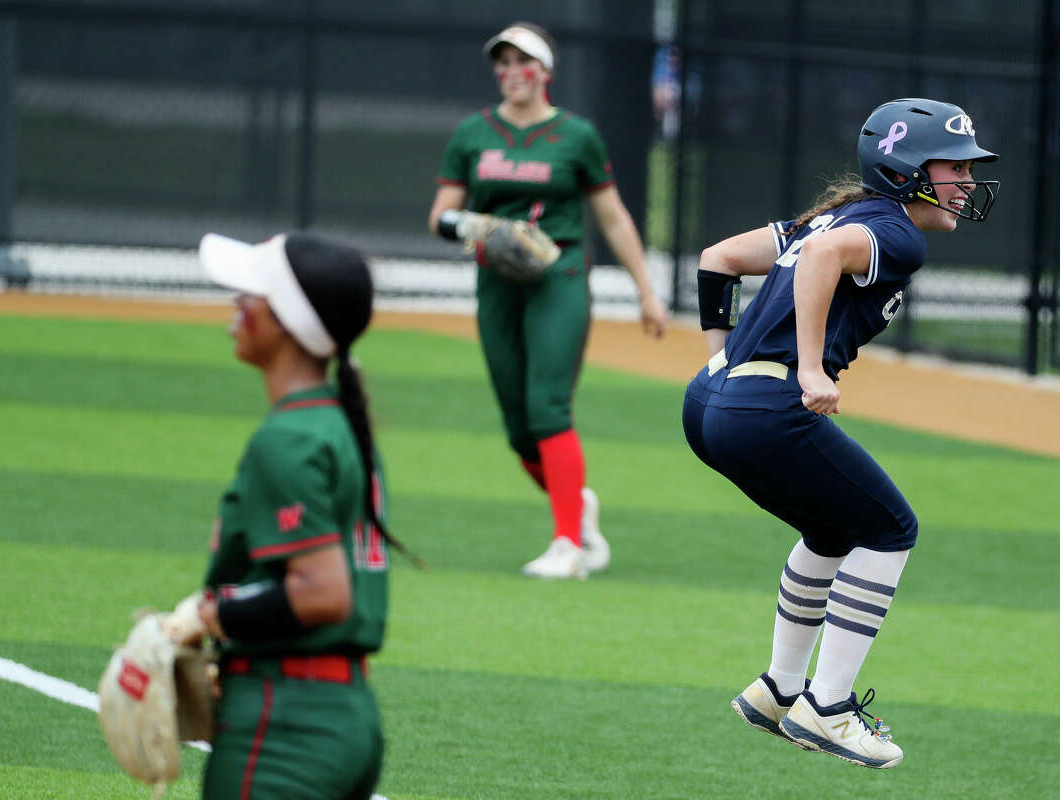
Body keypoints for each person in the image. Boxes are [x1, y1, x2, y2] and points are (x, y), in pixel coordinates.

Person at [681, 98, 999, 769]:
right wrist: (805, 368)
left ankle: (778, 690)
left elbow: (717, 259)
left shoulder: (834, 215)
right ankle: (827, 707)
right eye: (956, 166)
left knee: (832, 530)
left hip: (710, 406)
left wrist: (718, 361)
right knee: (891, 528)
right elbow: (824, 257)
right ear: (906, 167)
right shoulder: (893, 231)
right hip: (765, 412)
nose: (968, 181)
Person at [428, 21, 668, 580]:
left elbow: (611, 215)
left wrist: (646, 291)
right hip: (496, 280)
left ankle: (568, 545)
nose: (513, 72)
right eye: (503, 63)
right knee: (518, 428)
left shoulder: (576, 136)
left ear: (546, 73)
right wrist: (480, 226)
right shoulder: (472, 134)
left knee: (547, 407)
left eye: (524, 62)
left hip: (557, 277)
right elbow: (440, 215)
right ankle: (576, 506)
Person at [168, 231, 390, 799]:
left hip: (283, 725)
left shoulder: (288, 438)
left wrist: (208, 615)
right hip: (344, 716)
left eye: (251, 293)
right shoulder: (337, 425)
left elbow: (321, 594)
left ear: (286, 321)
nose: (235, 304)